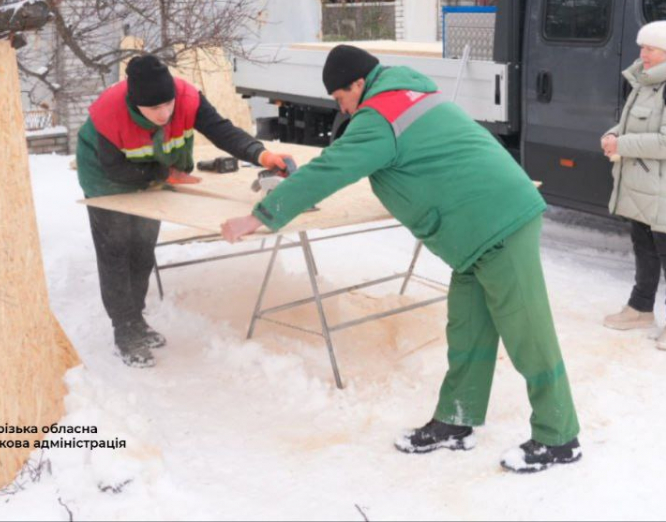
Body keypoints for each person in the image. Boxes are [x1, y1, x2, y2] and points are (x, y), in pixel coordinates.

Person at [220, 45, 581, 473]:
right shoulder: (409, 95)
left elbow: (329, 169)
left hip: (498, 223)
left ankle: (559, 437)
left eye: (340, 98)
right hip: (476, 232)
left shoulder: (380, 115)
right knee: (467, 327)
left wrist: (260, 215)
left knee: (528, 331)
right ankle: (455, 421)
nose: (342, 107)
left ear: (358, 83)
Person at [77, 54, 291, 368]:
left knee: (143, 246)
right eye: (154, 109)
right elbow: (115, 169)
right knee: (116, 251)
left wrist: (261, 155)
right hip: (107, 180)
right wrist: (163, 175)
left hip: (156, 174)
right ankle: (124, 329)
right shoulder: (109, 113)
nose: (164, 114)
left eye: (168, 105)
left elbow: (222, 131)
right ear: (136, 104)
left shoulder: (187, 98)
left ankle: (136, 319)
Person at [601, 21, 666, 351]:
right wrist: (614, 134)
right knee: (643, 247)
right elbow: (632, 121)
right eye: (642, 47)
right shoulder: (647, 82)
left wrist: (623, 145)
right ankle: (640, 309)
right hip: (645, 183)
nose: (642, 54)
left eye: (650, 48)